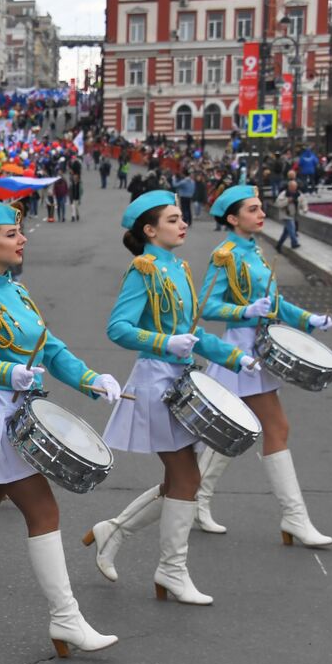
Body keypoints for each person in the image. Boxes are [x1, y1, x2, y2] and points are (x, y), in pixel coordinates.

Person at [0, 201, 122, 656]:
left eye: (20, 232)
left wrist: (90, 380)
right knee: (42, 511)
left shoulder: (16, 292)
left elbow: (51, 348)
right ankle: (65, 619)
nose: (21, 239)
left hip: (18, 411)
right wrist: (4, 372)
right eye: (10, 234)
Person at [85, 191, 258, 604]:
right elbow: (118, 328)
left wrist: (236, 358)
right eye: (173, 219)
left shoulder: (178, 267)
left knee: (180, 478)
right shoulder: (142, 270)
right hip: (156, 382)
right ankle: (170, 570)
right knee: (187, 478)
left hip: (180, 380)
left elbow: (191, 335)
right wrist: (164, 341)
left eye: (182, 218)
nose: (183, 225)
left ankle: (117, 532)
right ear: (150, 230)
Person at [192, 185, 332, 547]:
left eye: (260, 208)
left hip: (260, 349)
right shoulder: (225, 255)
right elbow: (207, 307)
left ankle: (196, 498)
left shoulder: (254, 251)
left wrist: (308, 320)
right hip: (240, 353)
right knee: (272, 428)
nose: (260, 214)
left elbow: (274, 301)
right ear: (232, 218)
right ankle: (294, 518)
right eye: (253, 209)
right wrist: (244, 311)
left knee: (234, 436)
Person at [274, 178, 306, 251]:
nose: (293, 188)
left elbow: (303, 201)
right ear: (289, 187)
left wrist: (304, 209)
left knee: (286, 231)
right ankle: (294, 243)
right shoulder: (284, 194)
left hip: (293, 214)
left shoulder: (298, 194)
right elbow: (278, 204)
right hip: (285, 214)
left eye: (294, 187)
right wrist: (287, 201)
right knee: (292, 228)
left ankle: (279, 245)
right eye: (292, 187)